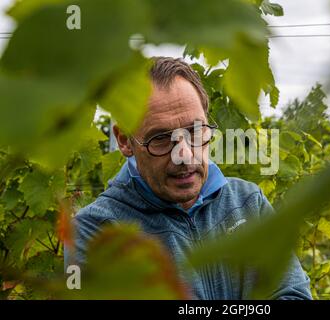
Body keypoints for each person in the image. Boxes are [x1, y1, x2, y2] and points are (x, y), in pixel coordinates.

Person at [65, 56, 312, 300]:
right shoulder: (96, 232)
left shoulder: (247, 202)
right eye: (160, 138)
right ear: (124, 140)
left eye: (195, 131)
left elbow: (293, 294)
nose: (184, 154)